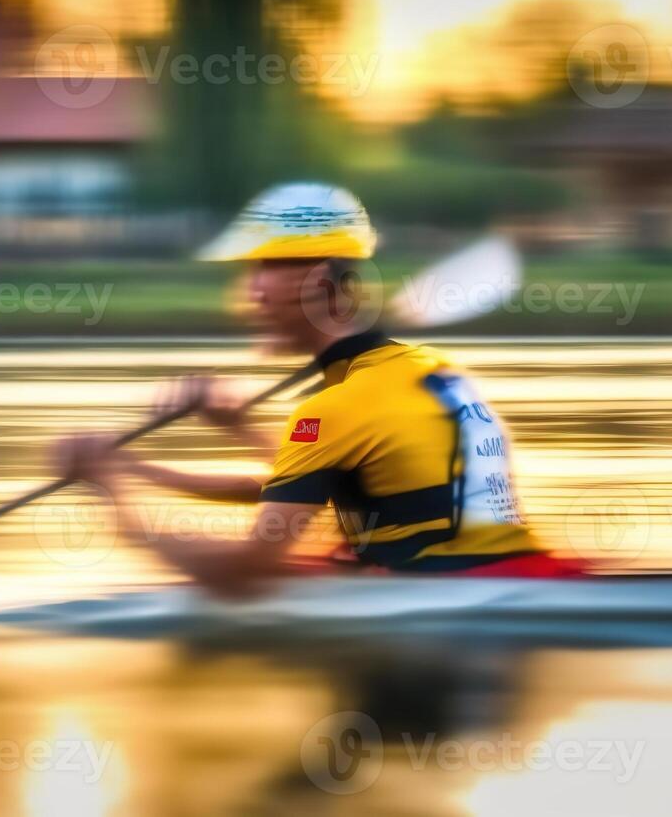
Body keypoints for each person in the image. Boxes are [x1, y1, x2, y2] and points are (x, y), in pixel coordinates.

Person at [53, 183, 585, 596]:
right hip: (509, 578)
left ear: (320, 284)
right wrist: (137, 467)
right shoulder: (419, 367)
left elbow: (242, 574)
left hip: (458, 613)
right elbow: (310, 485)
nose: (252, 292)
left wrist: (115, 501)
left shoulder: (336, 407)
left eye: (266, 269)